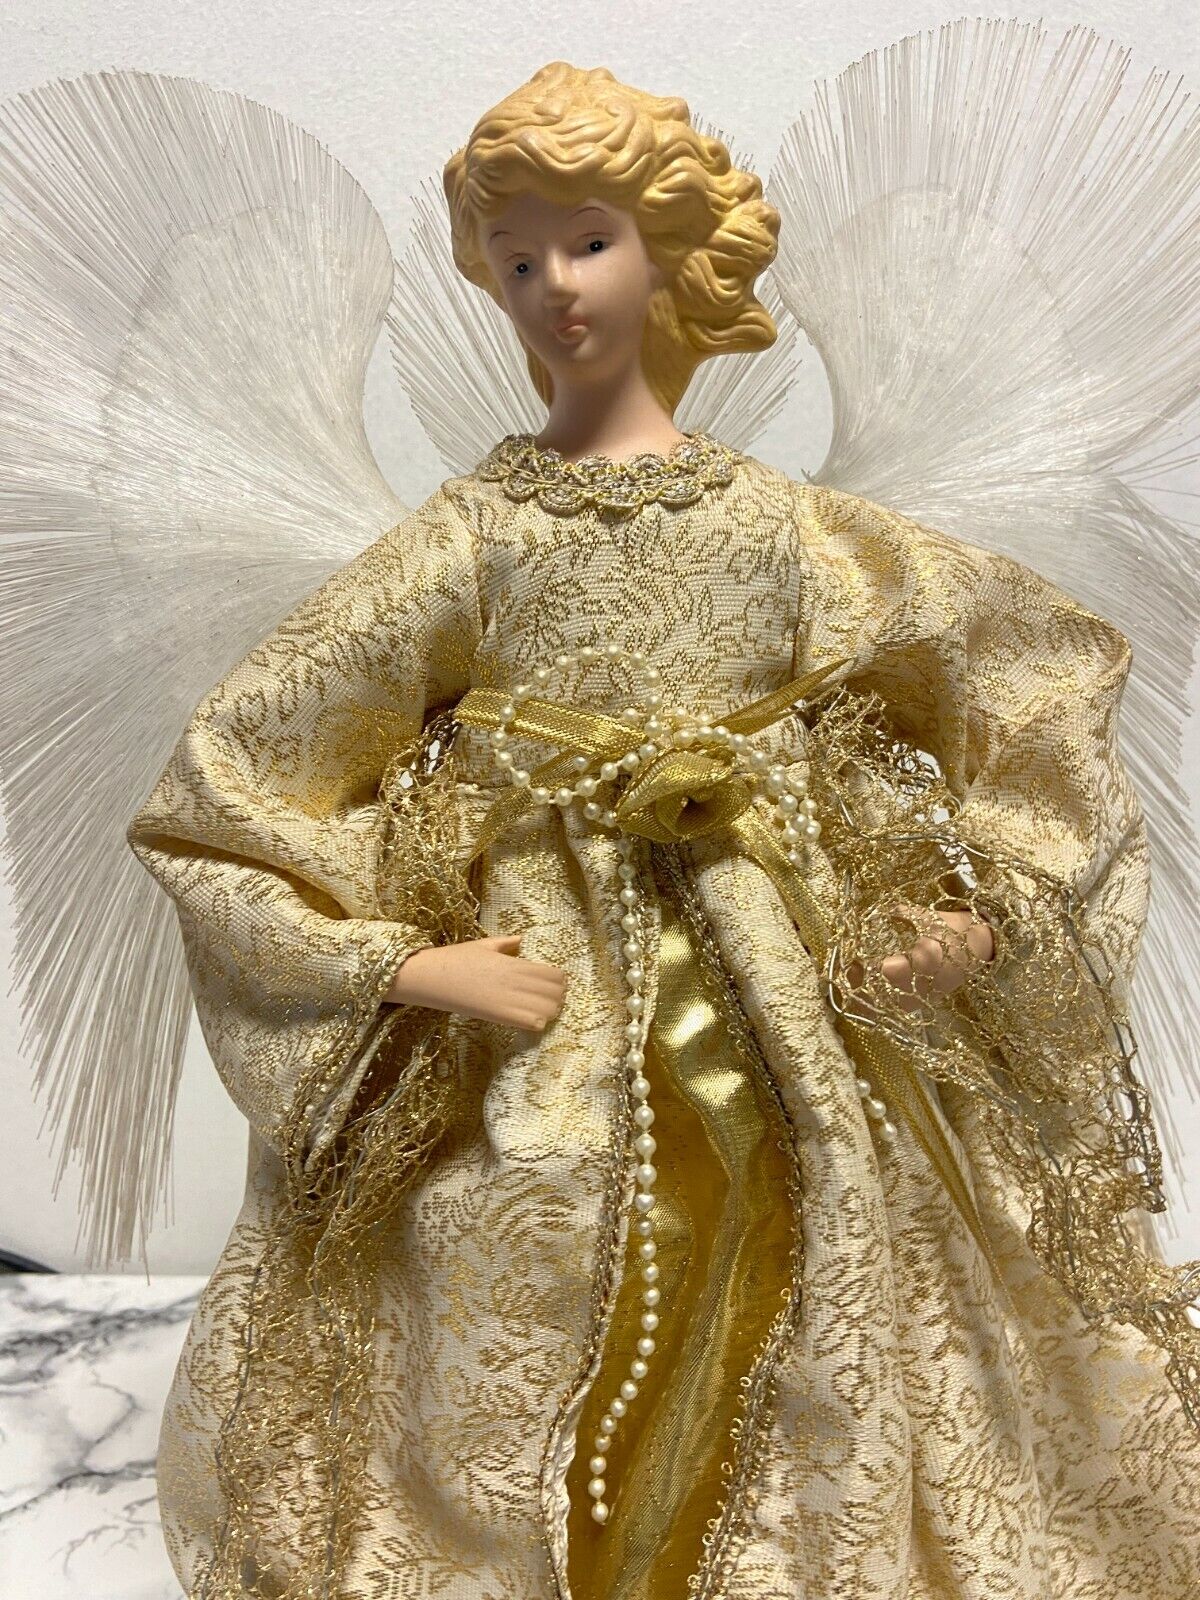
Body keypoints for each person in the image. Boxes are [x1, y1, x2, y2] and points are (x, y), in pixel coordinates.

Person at [115, 58, 1199, 1600]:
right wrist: (402, 969)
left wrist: (975, 910)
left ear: (671, 252)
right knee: (521, 1208)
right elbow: (235, 778)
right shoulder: (471, 539)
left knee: (843, 1207)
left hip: (794, 966)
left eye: (589, 242)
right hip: (541, 984)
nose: (555, 288)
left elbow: (1032, 679)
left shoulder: (789, 531)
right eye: (517, 262)